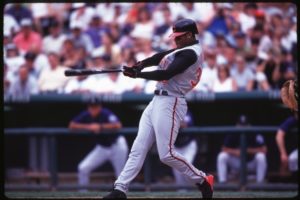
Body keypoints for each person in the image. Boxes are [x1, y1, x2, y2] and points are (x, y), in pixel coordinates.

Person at [103, 18, 213, 199]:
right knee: (138, 148)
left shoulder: (191, 53)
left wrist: (138, 75)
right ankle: (120, 189)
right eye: (175, 36)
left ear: (191, 35)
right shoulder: (184, 48)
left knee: (166, 154)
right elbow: (160, 57)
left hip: (172, 101)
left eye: (180, 36)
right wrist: (141, 64)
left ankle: (202, 179)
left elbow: (167, 73)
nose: (176, 40)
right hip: (158, 100)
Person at [68, 99, 128, 191]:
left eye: (95, 107)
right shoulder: (86, 114)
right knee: (83, 168)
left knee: (121, 174)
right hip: (103, 147)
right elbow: (72, 125)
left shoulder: (106, 113)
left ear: (99, 107)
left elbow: (118, 125)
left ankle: (123, 194)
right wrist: (88, 127)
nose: (93, 109)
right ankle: (82, 195)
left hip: (117, 146)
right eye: (91, 107)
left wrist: (100, 126)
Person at [217, 115, 267, 183]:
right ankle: (222, 182)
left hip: (250, 163)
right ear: (237, 125)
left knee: (261, 157)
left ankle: (260, 183)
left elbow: (264, 149)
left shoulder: (255, 133)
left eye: (245, 125)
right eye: (241, 125)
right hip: (237, 163)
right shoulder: (232, 133)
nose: (243, 127)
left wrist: (247, 151)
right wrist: (235, 152)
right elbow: (223, 148)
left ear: (249, 125)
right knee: (222, 156)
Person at [172, 111, 198, 189]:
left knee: (185, 166)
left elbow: (185, 125)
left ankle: (192, 189)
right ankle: (181, 193)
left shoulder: (186, 112)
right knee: (177, 171)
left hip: (188, 145)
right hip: (176, 146)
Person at [275, 114, 298, 180]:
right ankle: (294, 180)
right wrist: (283, 153)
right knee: (292, 159)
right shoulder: (293, 119)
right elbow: (279, 135)